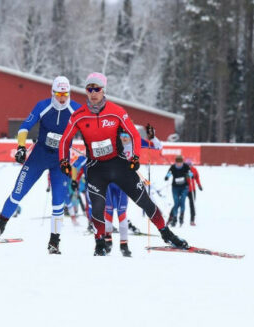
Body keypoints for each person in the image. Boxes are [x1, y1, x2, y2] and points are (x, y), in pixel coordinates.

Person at [59, 72, 188, 256]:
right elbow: (65, 140)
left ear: (103, 90)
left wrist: (135, 157)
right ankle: (99, 244)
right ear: (86, 91)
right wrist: (63, 161)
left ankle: (167, 234)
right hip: (96, 168)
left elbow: (135, 135)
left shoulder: (117, 111)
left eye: (97, 89)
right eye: (89, 89)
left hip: (119, 165)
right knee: (97, 208)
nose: (93, 93)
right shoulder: (79, 115)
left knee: (145, 201)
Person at [0, 76, 81, 255]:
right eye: (58, 94)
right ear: (52, 93)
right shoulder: (43, 106)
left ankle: (54, 242)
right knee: (18, 192)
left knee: (58, 203)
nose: (62, 98)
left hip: (61, 161)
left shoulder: (77, 109)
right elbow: (24, 127)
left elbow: (91, 130)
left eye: (65, 94)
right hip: (39, 156)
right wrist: (20, 147)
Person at [102, 123, 162, 257]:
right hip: (110, 184)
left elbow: (158, 146)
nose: (124, 138)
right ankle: (107, 242)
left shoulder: (137, 142)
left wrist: (152, 137)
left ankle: (124, 245)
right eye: (122, 135)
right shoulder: (112, 142)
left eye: (127, 135)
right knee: (108, 213)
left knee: (122, 213)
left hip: (124, 184)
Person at [165, 155, 194, 227]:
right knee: (176, 202)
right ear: (175, 162)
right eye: (177, 163)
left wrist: (190, 175)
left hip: (184, 187)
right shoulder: (173, 167)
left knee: (182, 201)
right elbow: (169, 173)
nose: (179, 164)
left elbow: (190, 172)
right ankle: (174, 218)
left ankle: (181, 216)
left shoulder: (185, 166)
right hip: (175, 188)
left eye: (180, 162)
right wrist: (167, 177)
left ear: (182, 162)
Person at [185, 159, 202, 226]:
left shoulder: (194, 170)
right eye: (187, 165)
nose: (189, 166)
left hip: (192, 190)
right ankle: (173, 219)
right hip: (184, 189)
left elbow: (197, 178)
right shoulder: (183, 169)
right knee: (179, 203)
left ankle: (192, 220)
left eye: (190, 164)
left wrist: (199, 185)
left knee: (192, 205)